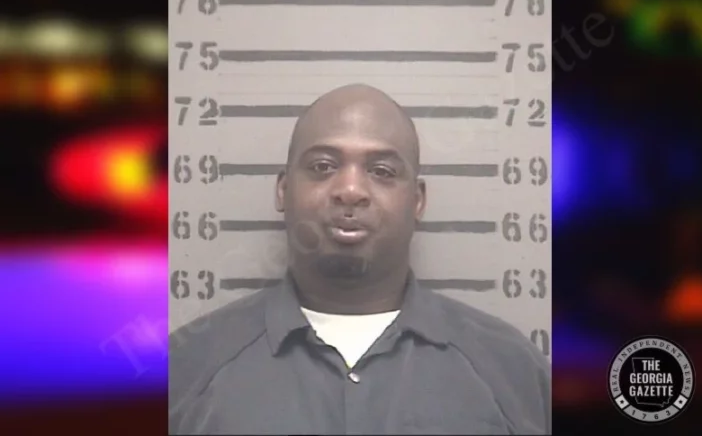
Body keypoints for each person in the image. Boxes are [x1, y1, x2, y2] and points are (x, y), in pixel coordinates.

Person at [169, 84, 551, 435]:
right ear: (283, 190)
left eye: (382, 171)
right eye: (322, 166)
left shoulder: (511, 368)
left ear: (417, 200)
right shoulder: (185, 367)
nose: (350, 190)